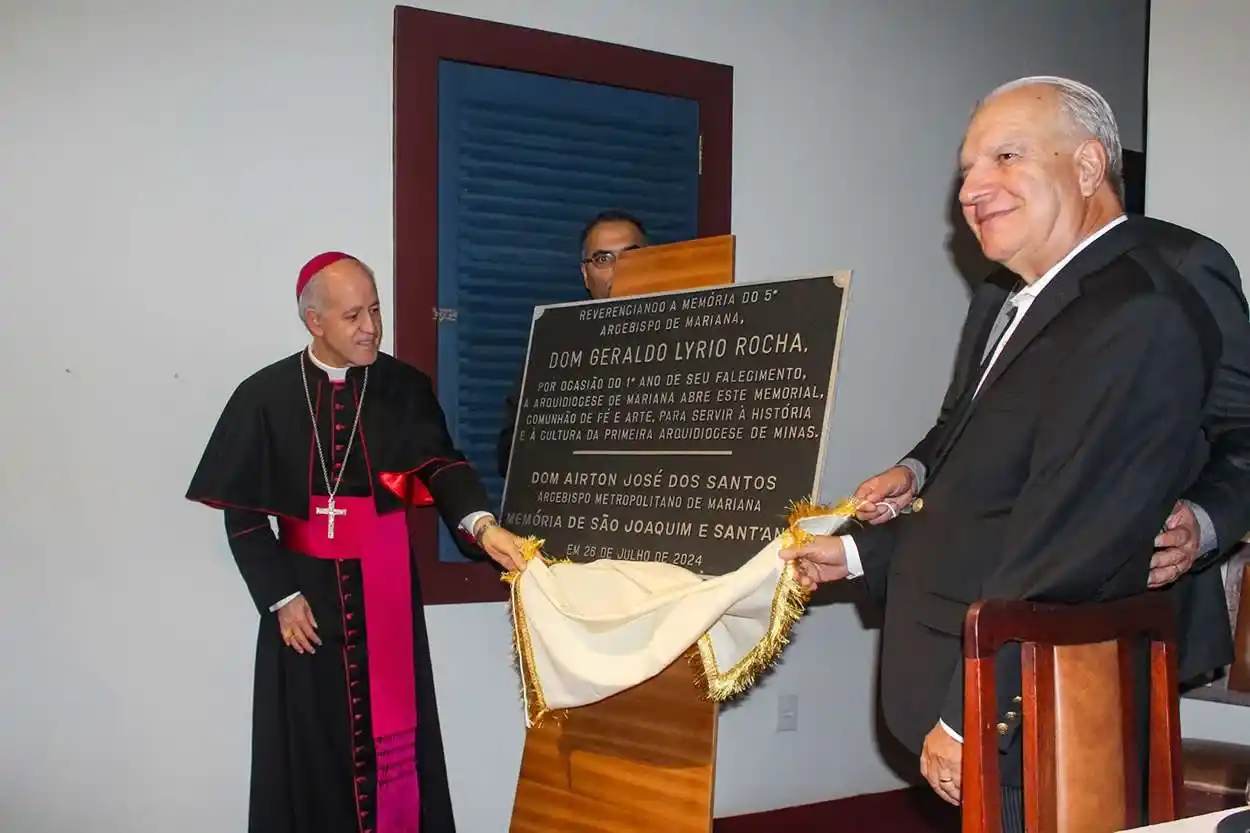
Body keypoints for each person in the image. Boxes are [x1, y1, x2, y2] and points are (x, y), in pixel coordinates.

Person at [780, 76, 1222, 832]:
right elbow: (983, 490)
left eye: (1006, 157)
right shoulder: (1019, 300)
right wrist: (860, 554)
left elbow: (1065, 541)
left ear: (1088, 169)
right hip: (989, 711)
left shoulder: (1137, 311)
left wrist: (967, 715)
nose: (973, 190)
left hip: (1028, 710)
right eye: (966, 172)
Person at [186, 251, 525, 833]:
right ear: (314, 322)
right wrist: (280, 596)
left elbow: (442, 467)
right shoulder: (264, 395)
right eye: (352, 316)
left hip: (385, 590)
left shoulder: (403, 387)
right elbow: (241, 515)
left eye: (375, 310)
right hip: (305, 603)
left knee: (397, 748)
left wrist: (479, 524)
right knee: (308, 753)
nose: (371, 327)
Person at [495, 209, 648, 477]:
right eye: (603, 259)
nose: (620, 268)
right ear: (586, 274)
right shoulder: (551, 350)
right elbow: (510, 457)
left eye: (631, 255)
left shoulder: (700, 341)